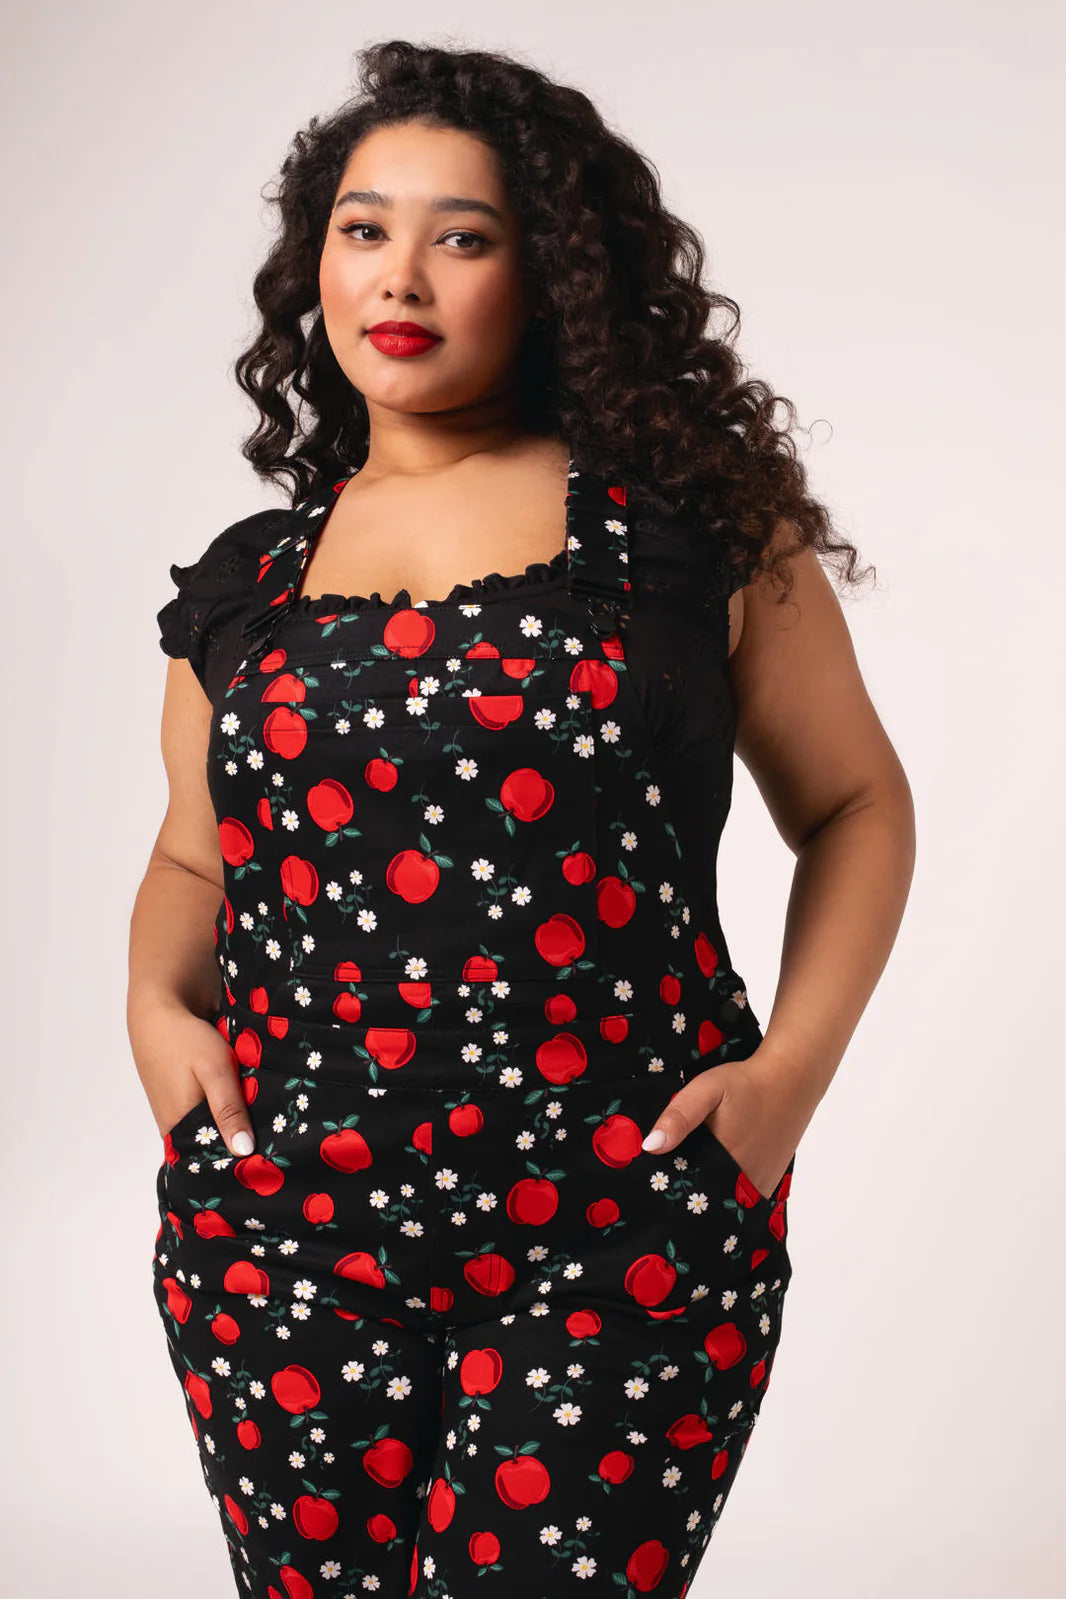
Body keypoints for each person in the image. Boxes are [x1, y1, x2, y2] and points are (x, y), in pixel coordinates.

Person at [129, 40, 915, 1599]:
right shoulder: (246, 582)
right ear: (313, 265)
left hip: (620, 1223)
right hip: (283, 1232)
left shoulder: (694, 540)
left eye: (463, 236)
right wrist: (156, 1005)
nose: (399, 275)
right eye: (363, 228)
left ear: (550, 276)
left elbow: (854, 803)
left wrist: (785, 1087)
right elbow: (187, 855)